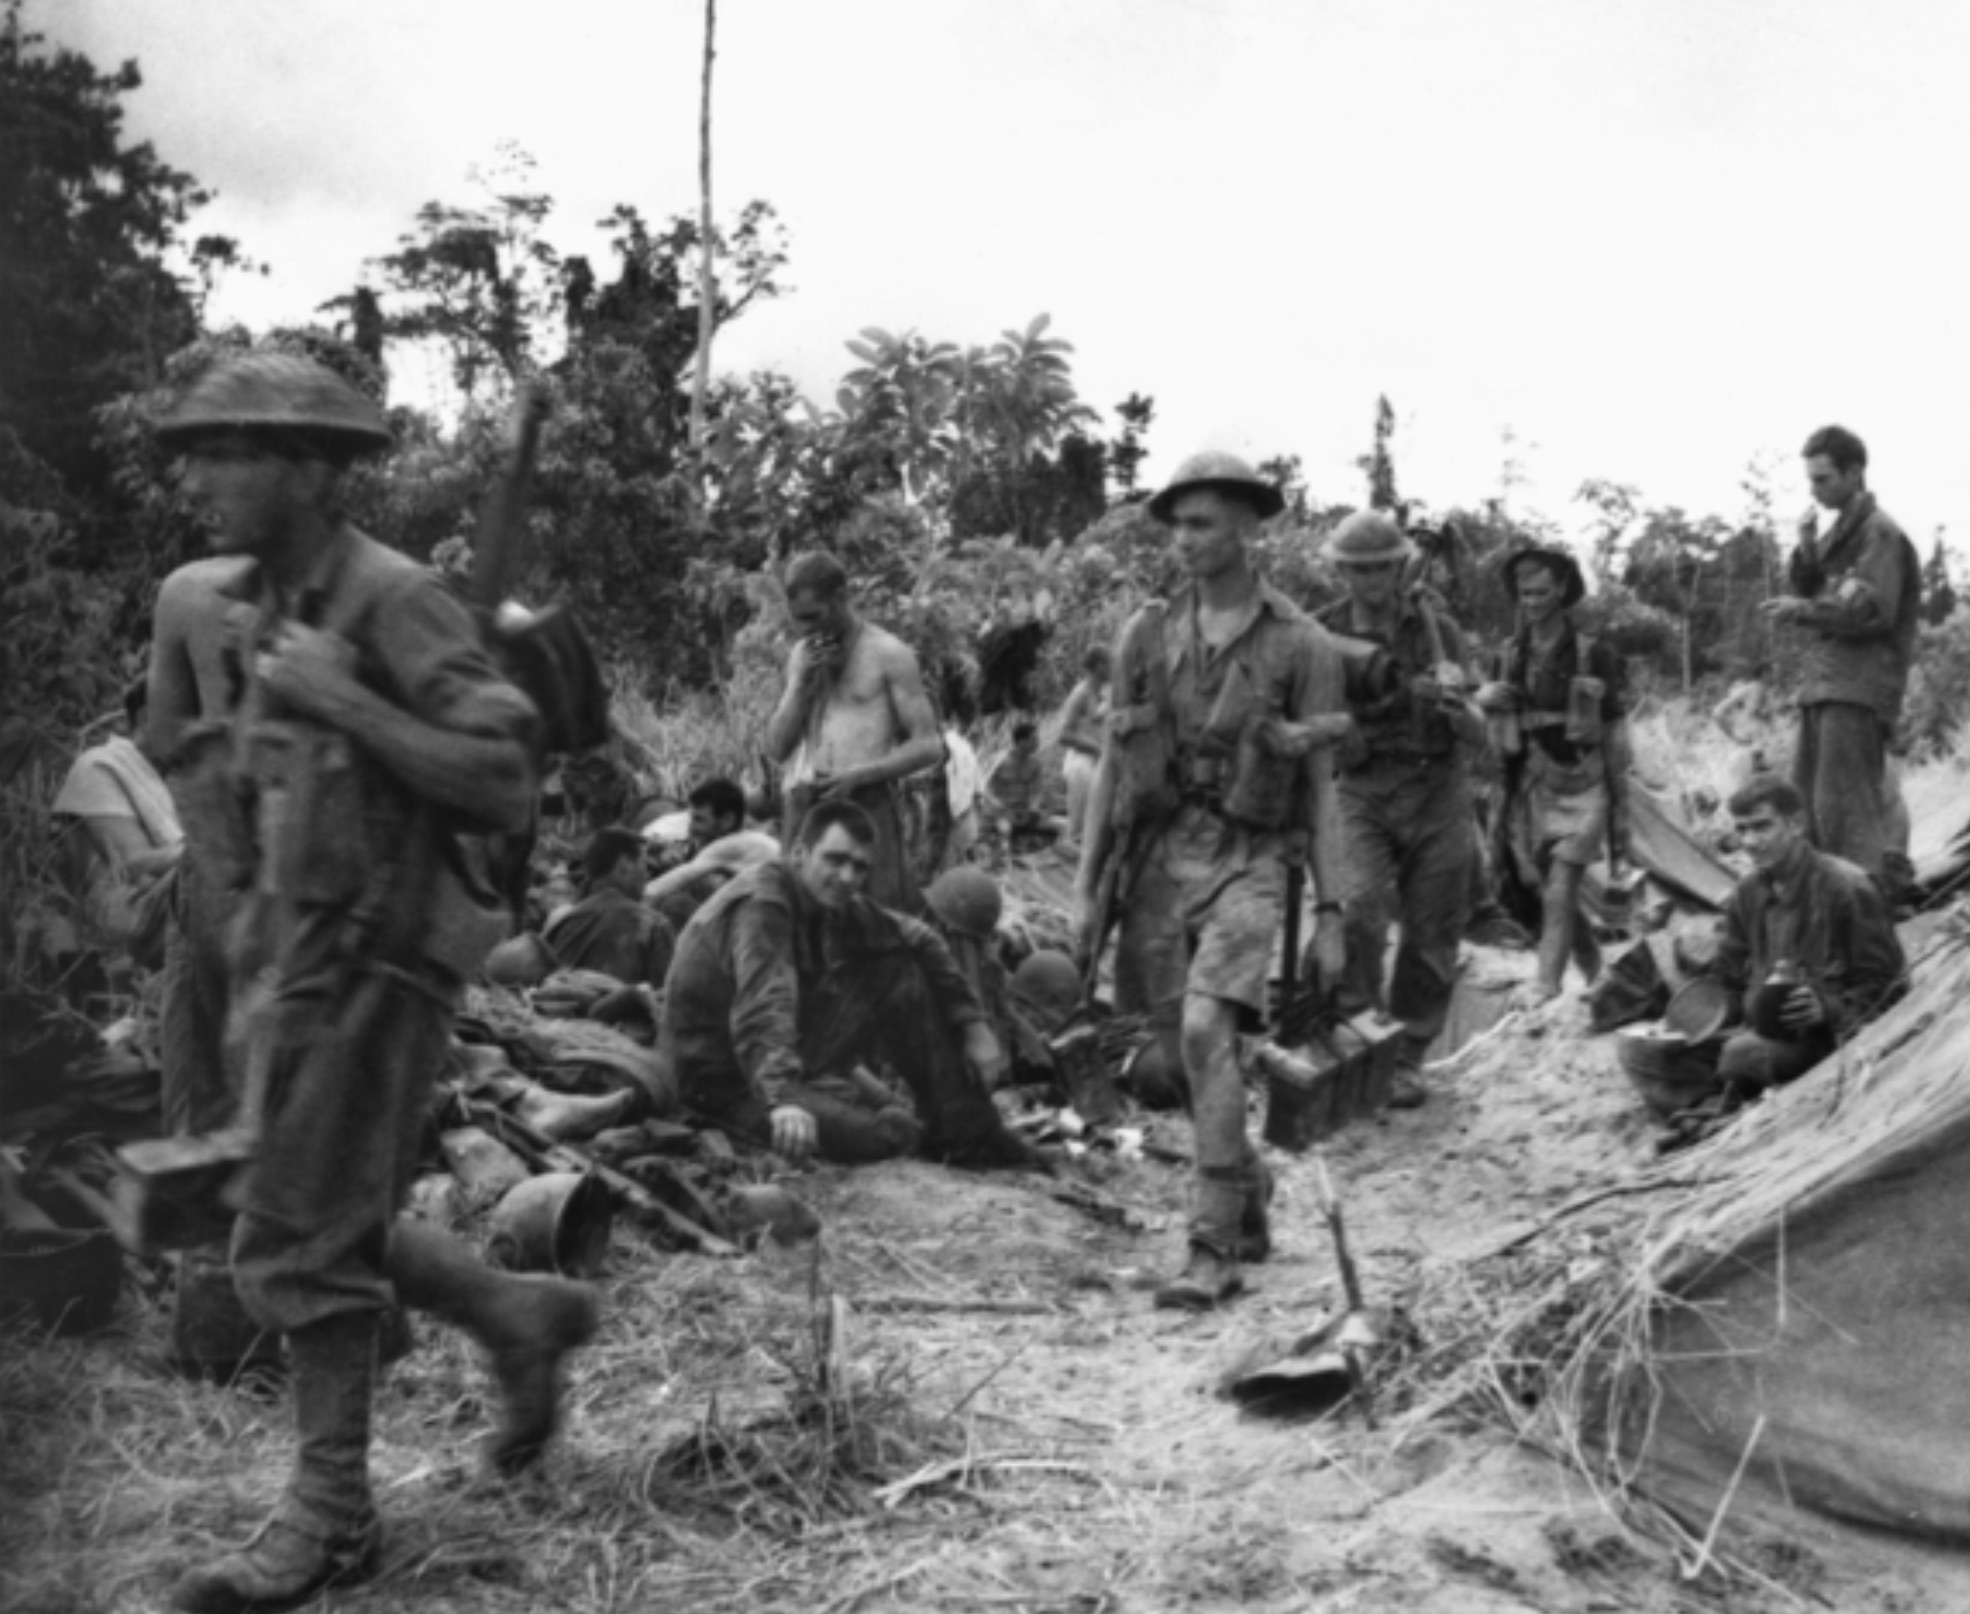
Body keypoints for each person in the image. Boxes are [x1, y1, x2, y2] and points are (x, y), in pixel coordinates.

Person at [153, 350, 599, 1613]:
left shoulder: (392, 602)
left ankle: (333, 1515)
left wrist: (350, 702)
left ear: (302, 467)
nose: (196, 478)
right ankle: (515, 1313)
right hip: (289, 964)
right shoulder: (255, 599)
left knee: (296, 1238)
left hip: (381, 963)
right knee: (304, 1210)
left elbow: (503, 781)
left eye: (223, 453)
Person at [1076, 451, 1349, 1311]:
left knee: (1205, 1031)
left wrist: (1334, 911)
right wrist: (1087, 892)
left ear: (1246, 529)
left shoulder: (1300, 644)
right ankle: (1247, 1192)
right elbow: (1116, 770)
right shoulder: (1144, 637)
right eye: (1178, 526)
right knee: (1176, 1061)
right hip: (1158, 861)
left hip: (1251, 858)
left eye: (1201, 524)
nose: (1184, 541)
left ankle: (1213, 1247)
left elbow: (1323, 786)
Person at [663, 799, 1035, 1168]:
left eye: (859, 868)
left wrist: (973, 1026)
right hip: (720, 1082)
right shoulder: (764, 903)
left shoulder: (829, 903)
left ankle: (969, 1132)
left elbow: (921, 937)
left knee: (899, 970)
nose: (846, 877)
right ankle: (922, 1135)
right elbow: (764, 1007)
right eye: (834, 860)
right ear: (798, 853)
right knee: (891, 1137)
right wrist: (783, 1099)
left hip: (768, 1060)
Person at [1314, 511, 1486, 1106]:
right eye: (1358, 570)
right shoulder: (1321, 633)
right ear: (1341, 572)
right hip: (1361, 789)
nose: (1371, 580)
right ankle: (1360, 1031)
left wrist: (1455, 705)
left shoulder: (1438, 631)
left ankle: (1410, 1054)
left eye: (1382, 567)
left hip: (1437, 787)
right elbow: (1288, 714)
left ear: (1397, 566)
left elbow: (1481, 733)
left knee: (1434, 925)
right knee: (1359, 906)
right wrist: (1338, 728)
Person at [1761, 425, 1920, 900]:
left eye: (1824, 479)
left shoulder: (1880, 534)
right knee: (1806, 804)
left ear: (1855, 472)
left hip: (1858, 687)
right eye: (1810, 480)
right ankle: (1826, 920)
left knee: (1844, 811)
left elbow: (1869, 611)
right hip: (1823, 686)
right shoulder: (1839, 534)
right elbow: (1811, 584)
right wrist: (1807, 546)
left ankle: (1866, 930)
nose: (1815, 490)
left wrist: (1800, 610)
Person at [1478, 546, 1632, 1004]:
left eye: (1542, 592)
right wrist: (1484, 698)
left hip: (1584, 782)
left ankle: (1546, 982)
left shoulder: (1594, 654)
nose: (1532, 602)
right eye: (1524, 593)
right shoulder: (1507, 656)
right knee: (1542, 886)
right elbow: (1484, 730)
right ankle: (1595, 969)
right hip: (1528, 785)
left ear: (1563, 590)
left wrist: (1620, 805)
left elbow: (1614, 732)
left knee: (1563, 881)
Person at [764, 551, 945, 911]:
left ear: (840, 597)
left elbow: (929, 746)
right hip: (809, 805)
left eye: (815, 617)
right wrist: (801, 685)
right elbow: (776, 748)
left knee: (872, 919)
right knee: (800, 917)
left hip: (868, 805)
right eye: (799, 621)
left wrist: (862, 775)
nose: (808, 630)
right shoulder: (802, 656)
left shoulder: (888, 653)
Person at [1711, 774, 1904, 1094]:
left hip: (1828, 1042)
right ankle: (1732, 1084)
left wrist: (1826, 1010)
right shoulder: (1747, 894)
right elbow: (1728, 975)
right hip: (1759, 1032)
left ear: (1796, 824)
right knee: (1648, 1052)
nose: (1749, 841)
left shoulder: (1848, 887)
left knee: (1740, 1054)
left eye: (1762, 826)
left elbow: (1890, 990)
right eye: (1742, 829)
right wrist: (1703, 1016)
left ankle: (1734, 1086)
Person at [51, 677, 184, 955]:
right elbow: (133, 864)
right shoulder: (99, 764)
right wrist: (208, 854)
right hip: (121, 911)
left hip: (166, 904)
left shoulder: (166, 779)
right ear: (148, 717)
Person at [542, 827, 676, 990]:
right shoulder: (654, 926)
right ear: (624, 865)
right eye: (644, 865)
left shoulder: (561, 921)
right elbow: (666, 1001)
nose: (647, 875)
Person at [643, 777, 780, 931]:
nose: (690, 828)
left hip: (764, 924)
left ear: (727, 821)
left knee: (676, 904)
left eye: (699, 819)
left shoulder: (730, 845)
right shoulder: (751, 840)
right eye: (691, 818)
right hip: (767, 918)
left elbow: (670, 883)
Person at [1055, 645, 1112, 844]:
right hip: (1081, 764)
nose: (1114, 667)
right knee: (1080, 825)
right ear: (1099, 666)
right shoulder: (1080, 694)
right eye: (1109, 663)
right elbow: (1064, 735)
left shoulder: (1103, 694)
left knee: (1097, 822)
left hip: (1098, 763)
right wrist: (1096, 748)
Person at [985, 719, 1050, 845]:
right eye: (1034, 739)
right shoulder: (998, 760)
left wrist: (1034, 806)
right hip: (1001, 812)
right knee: (1005, 830)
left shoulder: (1035, 764)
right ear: (1021, 741)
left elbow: (1038, 790)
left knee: (1056, 826)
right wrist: (994, 802)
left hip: (1024, 812)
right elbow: (983, 787)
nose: (1038, 743)